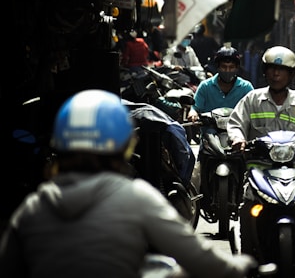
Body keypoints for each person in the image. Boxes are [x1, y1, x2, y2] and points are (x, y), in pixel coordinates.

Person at [0, 89, 256, 278]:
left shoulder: (33, 209)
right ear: (125, 143)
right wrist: (241, 267)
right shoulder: (135, 199)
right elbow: (197, 257)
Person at [227, 45, 295, 277]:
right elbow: (236, 123)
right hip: (261, 169)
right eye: (272, 69)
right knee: (248, 205)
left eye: (282, 70)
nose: (276, 74)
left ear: (292, 74)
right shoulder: (252, 99)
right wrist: (237, 139)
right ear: (265, 72)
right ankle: (247, 256)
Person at [187, 45, 254, 189]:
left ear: (237, 68)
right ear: (217, 67)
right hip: (210, 135)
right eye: (224, 67)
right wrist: (192, 113)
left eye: (231, 67)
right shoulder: (205, 86)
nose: (228, 71)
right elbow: (195, 107)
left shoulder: (246, 87)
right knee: (195, 177)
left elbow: (254, 109)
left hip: (237, 137)